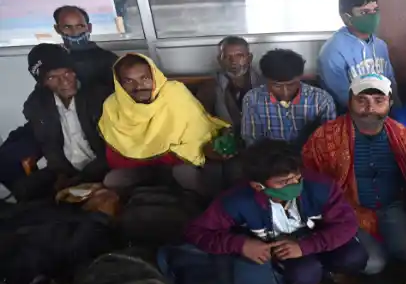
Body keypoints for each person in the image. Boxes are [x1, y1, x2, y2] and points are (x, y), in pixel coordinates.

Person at [185, 139, 367, 284]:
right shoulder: (236, 201)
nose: (295, 185)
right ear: (258, 186)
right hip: (279, 248)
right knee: (304, 274)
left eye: (297, 177)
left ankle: (338, 273)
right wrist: (241, 245)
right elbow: (197, 232)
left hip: (317, 236)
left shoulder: (320, 186)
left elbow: (347, 224)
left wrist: (305, 247)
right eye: (284, 182)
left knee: (354, 256)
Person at [302, 74, 406, 274]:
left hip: (391, 205)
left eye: (379, 101)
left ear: (390, 103)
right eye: (362, 100)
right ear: (350, 102)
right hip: (345, 209)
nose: (370, 108)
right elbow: (310, 180)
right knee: (373, 265)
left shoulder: (403, 136)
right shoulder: (325, 137)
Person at [100, 53, 229, 196]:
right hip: (139, 164)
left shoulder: (174, 93)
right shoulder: (112, 106)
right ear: (119, 83)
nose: (138, 86)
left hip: (178, 161)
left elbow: (197, 135)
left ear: (154, 76)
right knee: (112, 180)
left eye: (145, 78)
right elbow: (116, 150)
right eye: (129, 81)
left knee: (186, 175)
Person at [19, 44, 109, 200]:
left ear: (75, 72)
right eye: (52, 77)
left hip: (102, 168)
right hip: (66, 170)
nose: (64, 81)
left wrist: (82, 178)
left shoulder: (100, 97)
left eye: (68, 73)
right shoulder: (37, 106)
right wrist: (61, 174)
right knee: (25, 189)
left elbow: (112, 148)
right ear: (43, 82)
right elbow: (48, 144)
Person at [318, 0, 398, 111]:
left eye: (375, 11)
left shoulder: (380, 45)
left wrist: (395, 111)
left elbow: (391, 82)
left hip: (385, 112)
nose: (372, 16)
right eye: (364, 12)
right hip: (353, 116)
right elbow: (341, 95)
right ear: (346, 17)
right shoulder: (332, 50)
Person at [241, 49, 336, 149]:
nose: (285, 92)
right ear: (266, 79)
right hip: (270, 159)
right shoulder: (252, 99)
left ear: (300, 77)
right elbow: (252, 141)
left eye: (291, 85)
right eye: (277, 86)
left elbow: (329, 142)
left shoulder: (321, 100)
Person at [196, 36, 262, 134]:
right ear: (220, 60)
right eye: (227, 57)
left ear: (249, 58)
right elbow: (201, 118)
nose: (233, 61)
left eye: (239, 56)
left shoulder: (262, 82)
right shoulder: (210, 85)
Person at [53, 5, 118, 91]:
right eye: (67, 27)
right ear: (57, 29)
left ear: (89, 27)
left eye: (80, 26)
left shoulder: (108, 59)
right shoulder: (53, 60)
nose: (75, 32)